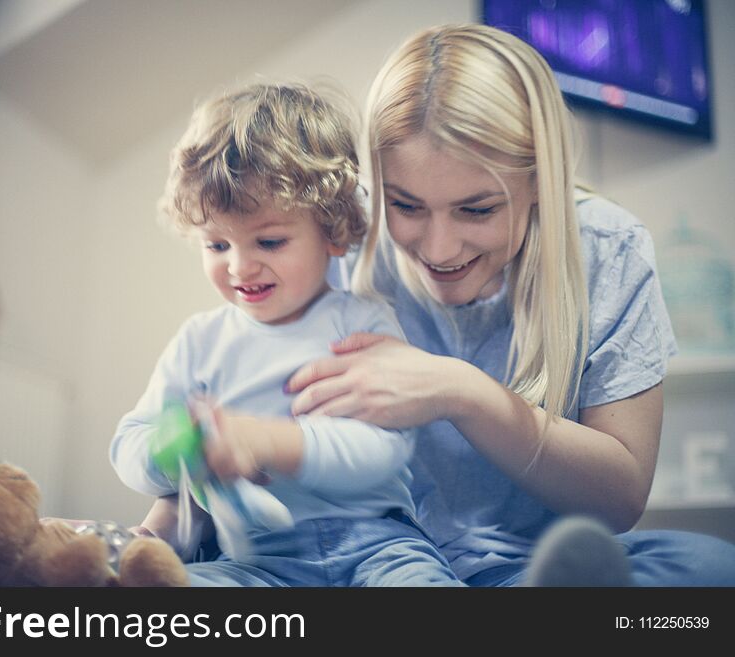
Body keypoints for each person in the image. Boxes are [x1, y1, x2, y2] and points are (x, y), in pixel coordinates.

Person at [283, 24, 735, 586]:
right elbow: (239, 391)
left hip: (531, 564)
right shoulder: (341, 233)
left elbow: (621, 500)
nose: (440, 248)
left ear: (539, 181)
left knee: (712, 570)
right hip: (375, 560)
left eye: (477, 210)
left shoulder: (609, 249)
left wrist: (462, 392)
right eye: (406, 205)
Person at [108, 81, 459, 586]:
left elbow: (384, 451)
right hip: (255, 556)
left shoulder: (361, 321)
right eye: (216, 245)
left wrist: (271, 442)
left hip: (379, 545)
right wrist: (180, 450)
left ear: (334, 230)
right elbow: (128, 444)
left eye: (269, 241)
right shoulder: (200, 340)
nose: (240, 266)